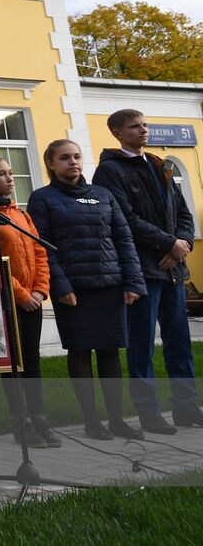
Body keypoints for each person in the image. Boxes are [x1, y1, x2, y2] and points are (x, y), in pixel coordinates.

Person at [27, 139, 146, 440]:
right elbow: (43, 248)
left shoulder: (103, 195)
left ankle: (117, 419)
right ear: (51, 164)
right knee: (80, 352)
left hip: (110, 285)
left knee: (110, 352)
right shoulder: (42, 199)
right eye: (64, 158)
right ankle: (92, 421)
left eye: (77, 157)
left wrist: (132, 280)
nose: (73, 162)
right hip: (74, 290)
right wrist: (61, 285)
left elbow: (124, 239)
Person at [92, 109, 202, 431]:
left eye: (144, 125)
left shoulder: (159, 164)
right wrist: (168, 244)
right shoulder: (110, 171)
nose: (143, 131)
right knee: (141, 344)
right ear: (116, 133)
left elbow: (183, 212)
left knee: (179, 341)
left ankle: (186, 406)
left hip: (172, 268)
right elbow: (124, 218)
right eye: (134, 127)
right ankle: (148, 412)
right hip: (140, 270)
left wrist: (181, 244)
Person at [0, 155, 59, 448]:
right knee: (14, 364)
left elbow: (40, 253)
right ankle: (21, 422)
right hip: (5, 302)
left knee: (32, 361)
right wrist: (19, 294)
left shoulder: (21, 215)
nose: (10, 178)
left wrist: (39, 290)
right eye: (2, 174)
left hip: (32, 299)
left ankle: (39, 417)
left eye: (10, 173)